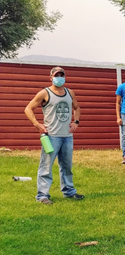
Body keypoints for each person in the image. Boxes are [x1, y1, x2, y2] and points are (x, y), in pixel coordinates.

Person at [24, 66, 85, 204]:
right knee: (46, 166)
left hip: (67, 136)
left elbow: (77, 107)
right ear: (51, 77)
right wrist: (37, 124)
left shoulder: (70, 93)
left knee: (67, 166)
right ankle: (42, 196)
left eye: (62, 75)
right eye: (57, 75)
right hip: (51, 136)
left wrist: (76, 122)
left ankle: (69, 192)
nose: (60, 78)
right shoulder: (44, 93)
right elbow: (28, 109)